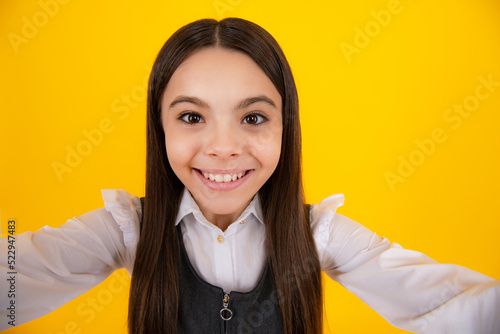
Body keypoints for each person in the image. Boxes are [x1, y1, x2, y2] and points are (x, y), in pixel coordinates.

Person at [1, 17, 499, 334]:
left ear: (287, 128)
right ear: (161, 128)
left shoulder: (317, 235)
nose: (222, 148)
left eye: (254, 117)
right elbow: (13, 282)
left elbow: (449, 302)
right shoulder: (125, 228)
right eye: (192, 117)